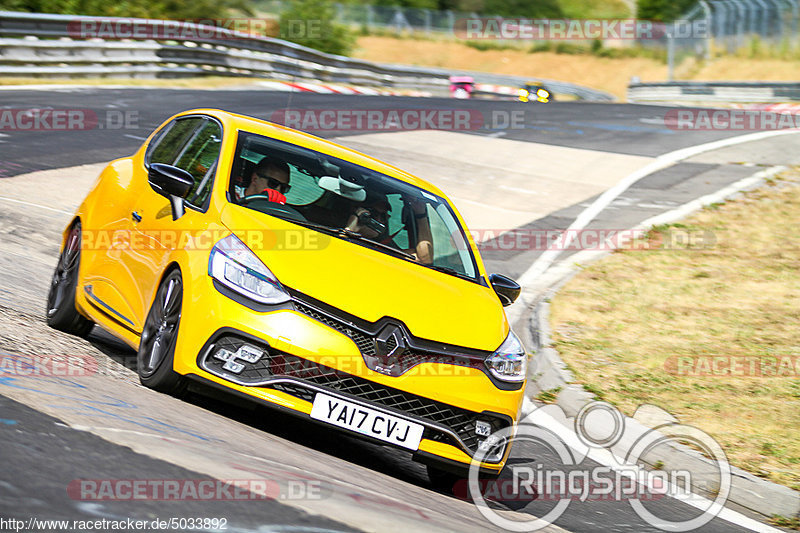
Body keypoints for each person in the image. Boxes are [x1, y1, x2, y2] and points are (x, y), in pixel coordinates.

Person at [345, 194, 433, 264]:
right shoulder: (333, 234)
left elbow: (425, 259)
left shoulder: (383, 247)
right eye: (373, 214)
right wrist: (350, 230)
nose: (379, 220)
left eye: (383, 216)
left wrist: (420, 214)